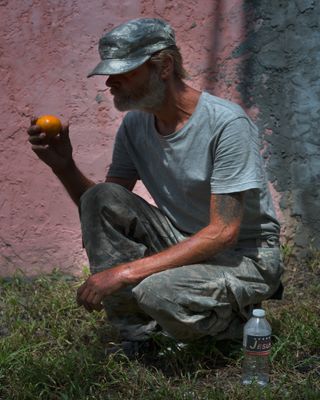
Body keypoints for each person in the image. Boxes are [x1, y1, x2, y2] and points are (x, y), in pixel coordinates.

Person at [28, 18, 283, 351]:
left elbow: (224, 232)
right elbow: (103, 207)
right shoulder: (136, 124)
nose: (110, 83)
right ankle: (138, 337)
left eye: (125, 72)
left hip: (246, 257)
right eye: (109, 73)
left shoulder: (227, 124)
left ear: (163, 66)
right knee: (101, 197)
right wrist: (64, 167)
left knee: (155, 291)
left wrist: (126, 272)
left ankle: (240, 328)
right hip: (183, 238)